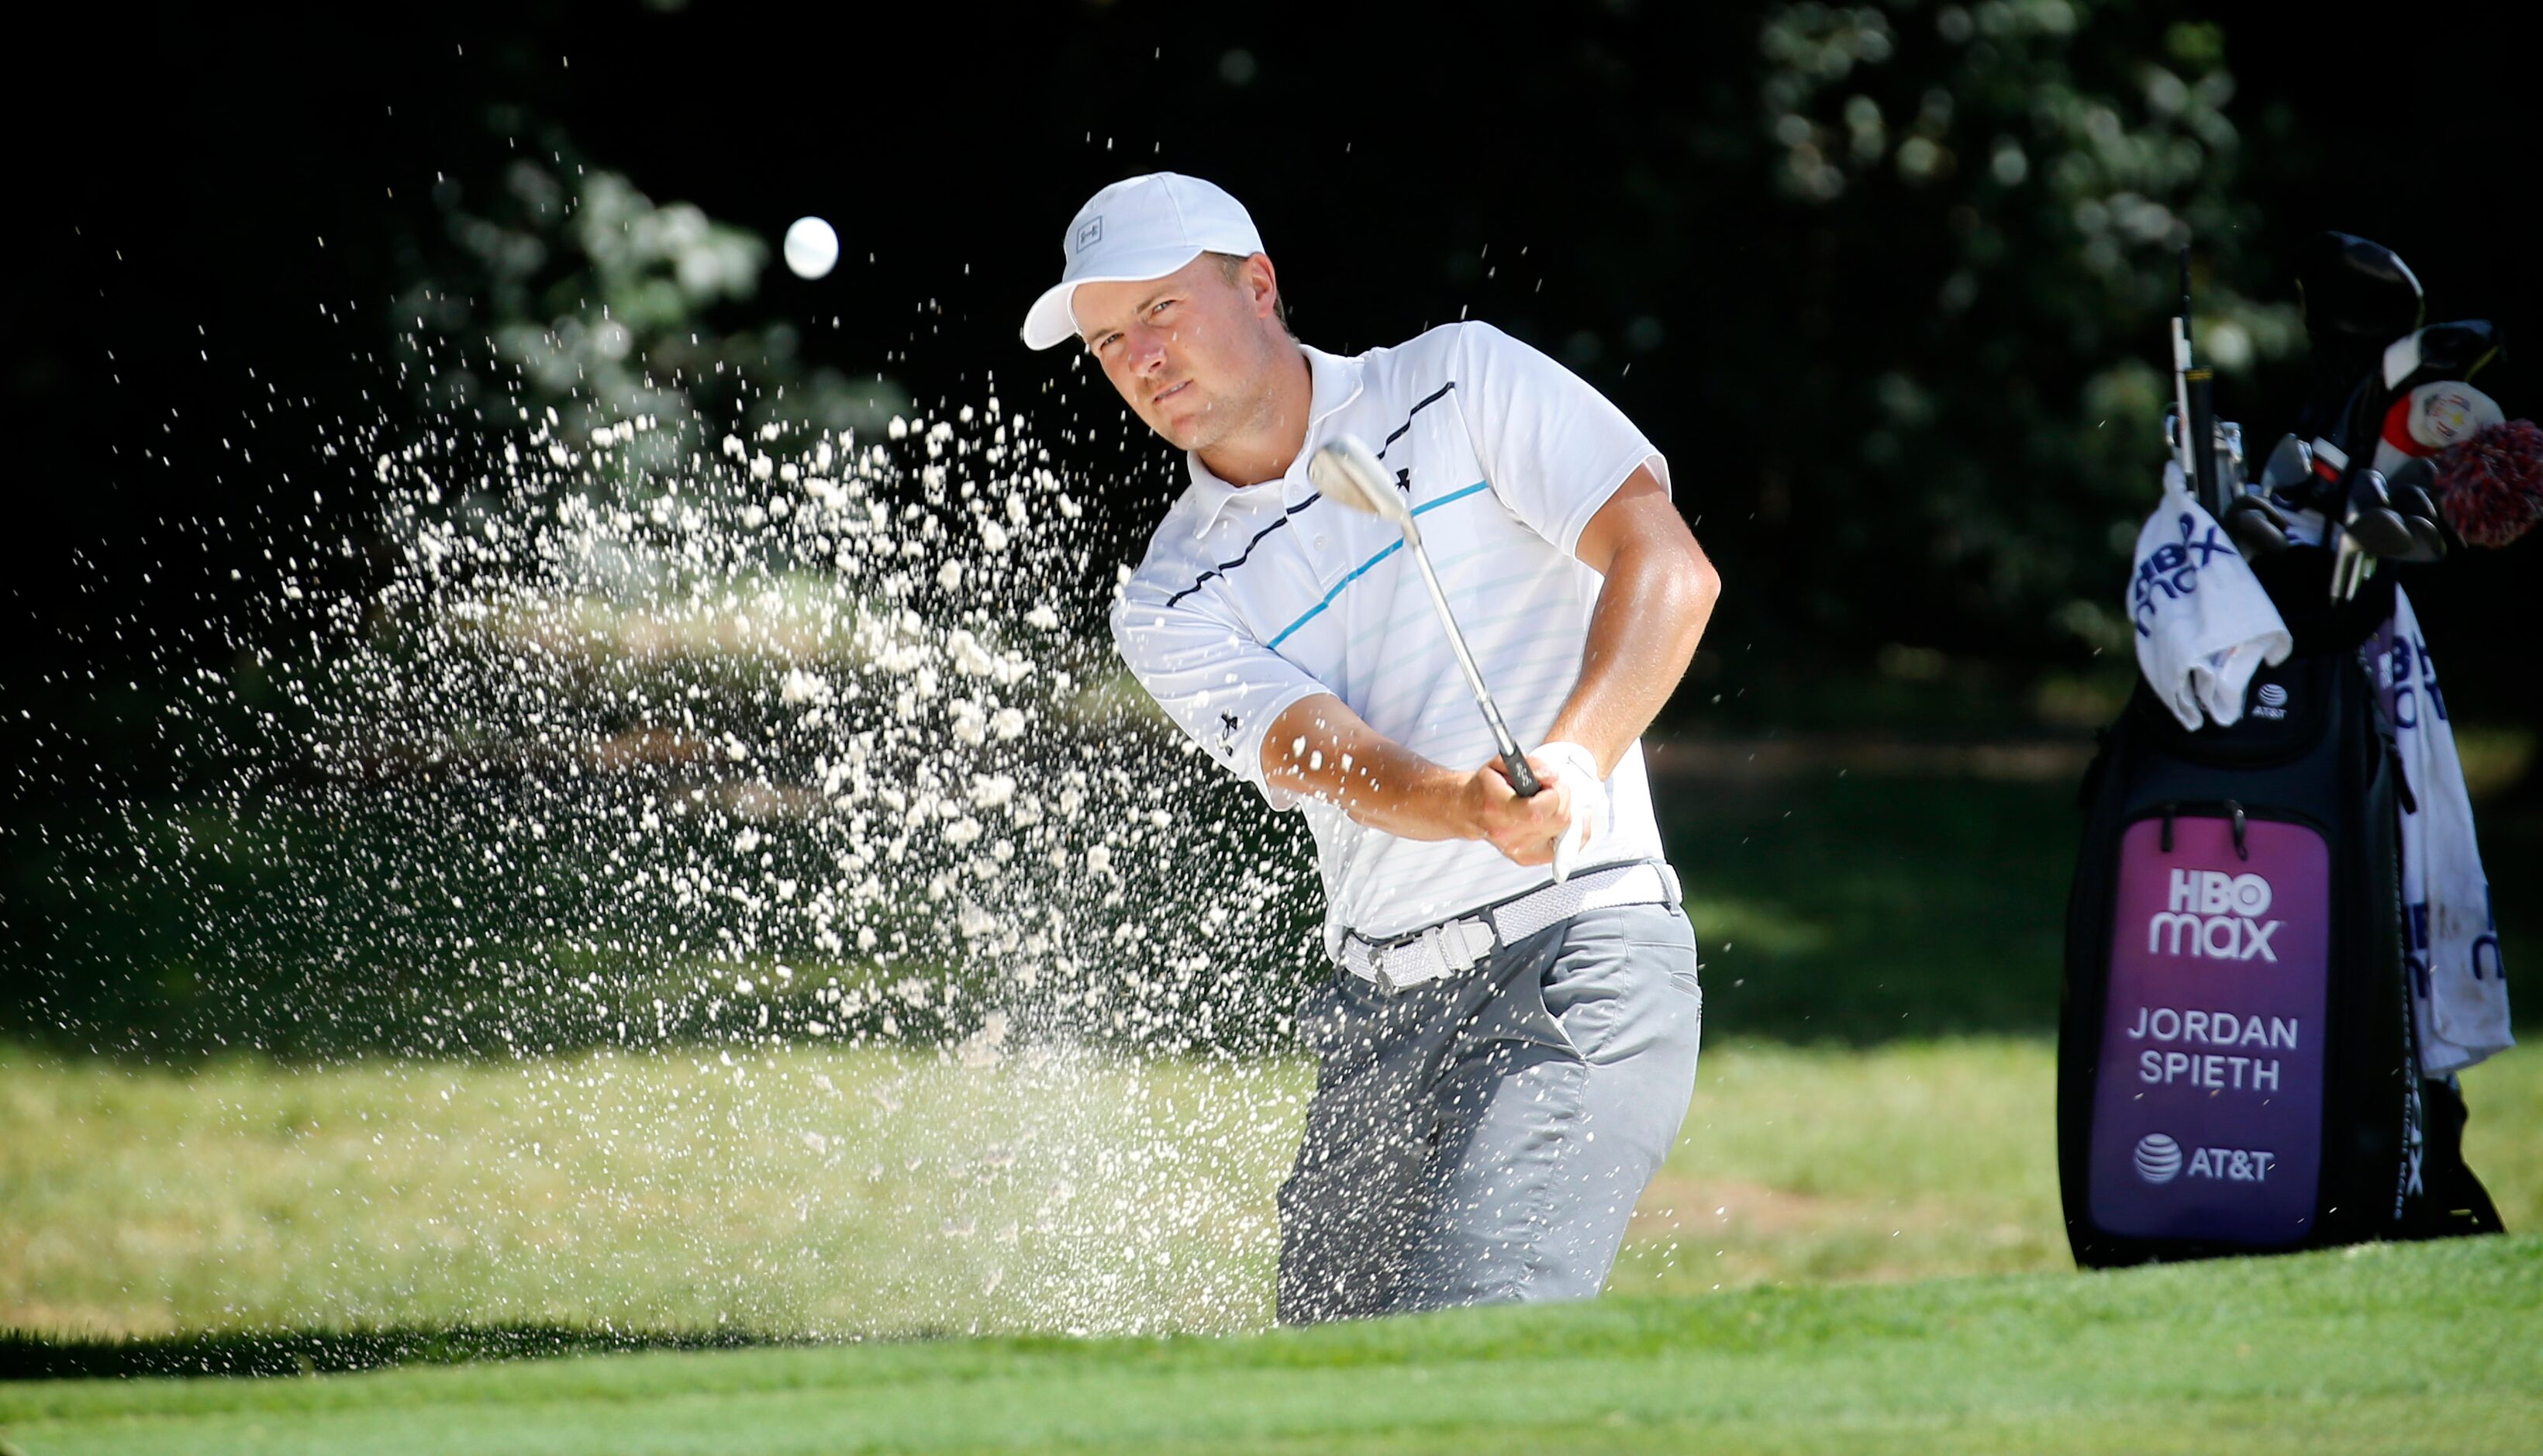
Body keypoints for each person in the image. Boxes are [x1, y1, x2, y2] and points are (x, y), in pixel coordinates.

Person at [1020, 172, 1720, 1323]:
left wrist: (1576, 760)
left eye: (1160, 310)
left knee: (1475, 1343)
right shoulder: (1168, 593)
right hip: (1378, 1017)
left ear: (1259, 285)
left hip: (1575, 957)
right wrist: (1467, 802)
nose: (1139, 357)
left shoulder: (1458, 381)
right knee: (1334, 1391)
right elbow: (1316, 753)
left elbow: (1669, 567)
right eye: (1106, 340)